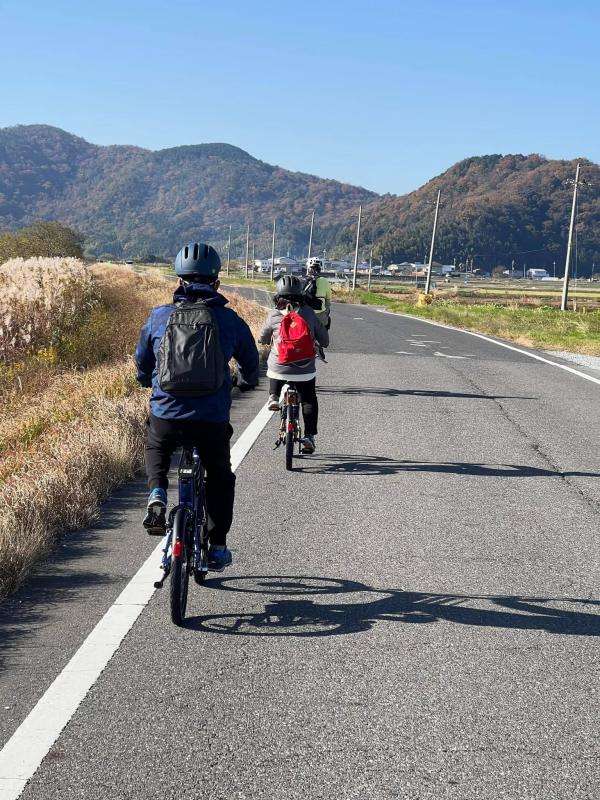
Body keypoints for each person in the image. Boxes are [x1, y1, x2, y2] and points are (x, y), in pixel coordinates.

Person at [135, 242, 259, 571]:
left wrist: (145, 379)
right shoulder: (230, 320)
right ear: (216, 283)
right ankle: (217, 546)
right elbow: (251, 361)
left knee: (157, 445)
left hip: (167, 412)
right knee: (220, 477)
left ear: (178, 281)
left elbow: (143, 359)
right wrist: (247, 381)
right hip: (211, 418)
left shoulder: (160, 316)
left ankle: (158, 492)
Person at [258, 274, 328, 455]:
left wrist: (267, 340)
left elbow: (262, 337)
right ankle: (309, 437)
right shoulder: (308, 314)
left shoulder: (273, 314)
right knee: (309, 399)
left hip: (279, 368)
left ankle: (273, 397)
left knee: (275, 368)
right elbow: (325, 340)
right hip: (305, 369)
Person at [303, 257, 332, 329]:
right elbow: (328, 300)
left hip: (305, 315)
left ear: (308, 268)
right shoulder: (325, 281)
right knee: (326, 323)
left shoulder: (303, 280)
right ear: (320, 268)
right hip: (320, 316)